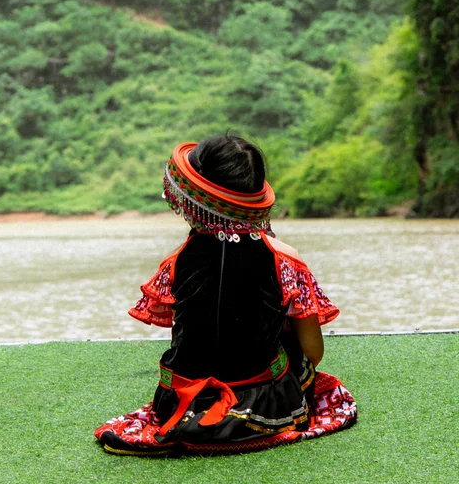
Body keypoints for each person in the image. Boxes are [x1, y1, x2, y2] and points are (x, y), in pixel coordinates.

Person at [95, 136, 357, 456]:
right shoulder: (285, 259)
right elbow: (313, 353)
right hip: (265, 405)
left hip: (179, 403)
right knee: (290, 335)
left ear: (191, 200)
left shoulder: (174, 263)